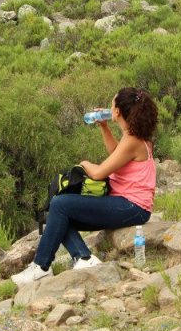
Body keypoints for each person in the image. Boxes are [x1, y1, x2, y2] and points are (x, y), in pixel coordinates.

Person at [11, 87, 158, 285]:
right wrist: (104, 128)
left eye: (112, 103)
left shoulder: (133, 140)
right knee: (56, 213)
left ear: (118, 111)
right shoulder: (135, 136)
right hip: (125, 203)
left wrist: (84, 164)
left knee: (60, 204)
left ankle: (41, 267)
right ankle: (84, 258)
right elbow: (117, 152)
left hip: (132, 206)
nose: (110, 106)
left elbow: (98, 174)